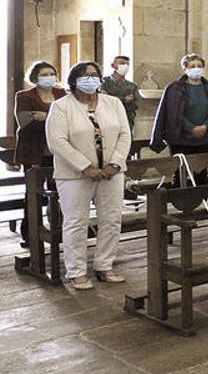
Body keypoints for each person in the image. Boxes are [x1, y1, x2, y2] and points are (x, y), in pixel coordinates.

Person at [44, 61, 131, 290]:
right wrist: (86, 167)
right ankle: (76, 272)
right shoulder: (62, 106)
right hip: (74, 175)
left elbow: (124, 135)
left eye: (94, 75)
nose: (90, 79)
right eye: (85, 76)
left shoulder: (113, 103)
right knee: (76, 222)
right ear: (74, 80)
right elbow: (57, 142)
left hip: (111, 172)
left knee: (111, 220)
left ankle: (104, 265)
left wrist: (115, 163)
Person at [151, 53, 208, 186]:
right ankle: (179, 200)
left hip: (204, 137)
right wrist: (191, 128)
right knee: (179, 172)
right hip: (180, 137)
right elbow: (173, 113)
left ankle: (201, 200)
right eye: (192, 66)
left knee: (201, 173)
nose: (196, 68)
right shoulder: (174, 89)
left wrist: (205, 126)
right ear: (185, 68)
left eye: (199, 66)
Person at [13, 61, 66, 248]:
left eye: (52, 73)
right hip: (33, 151)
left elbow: (68, 120)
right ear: (35, 77)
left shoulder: (61, 94)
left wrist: (46, 115)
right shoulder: (24, 96)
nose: (49, 76)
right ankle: (29, 234)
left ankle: (58, 231)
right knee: (33, 194)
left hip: (56, 152)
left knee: (59, 192)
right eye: (44, 74)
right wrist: (53, 118)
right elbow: (27, 123)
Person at [100, 55, 139, 130]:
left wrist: (113, 100)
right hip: (107, 120)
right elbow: (104, 100)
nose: (125, 66)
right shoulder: (103, 82)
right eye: (122, 63)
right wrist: (124, 100)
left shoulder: (132, 86)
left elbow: (135, 105)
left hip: (127, 120)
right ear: (113, 66)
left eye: (127, 64)